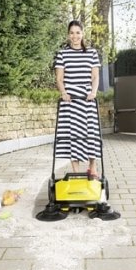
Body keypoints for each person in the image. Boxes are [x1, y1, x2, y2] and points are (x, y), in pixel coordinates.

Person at [54, 20, 102, 179]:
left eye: (78, 32)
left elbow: (95, 77)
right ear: (68, 35)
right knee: (73, 136)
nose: (75, 36)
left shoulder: (92, 53)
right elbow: (59, 79)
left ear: (82, 34)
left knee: (90, 133)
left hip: (87, 99)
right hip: (70, 101)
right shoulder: (62, 54)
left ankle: (92, 168)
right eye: (72, 33)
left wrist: (93, 92)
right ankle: (76, 174)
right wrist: (63, 92)